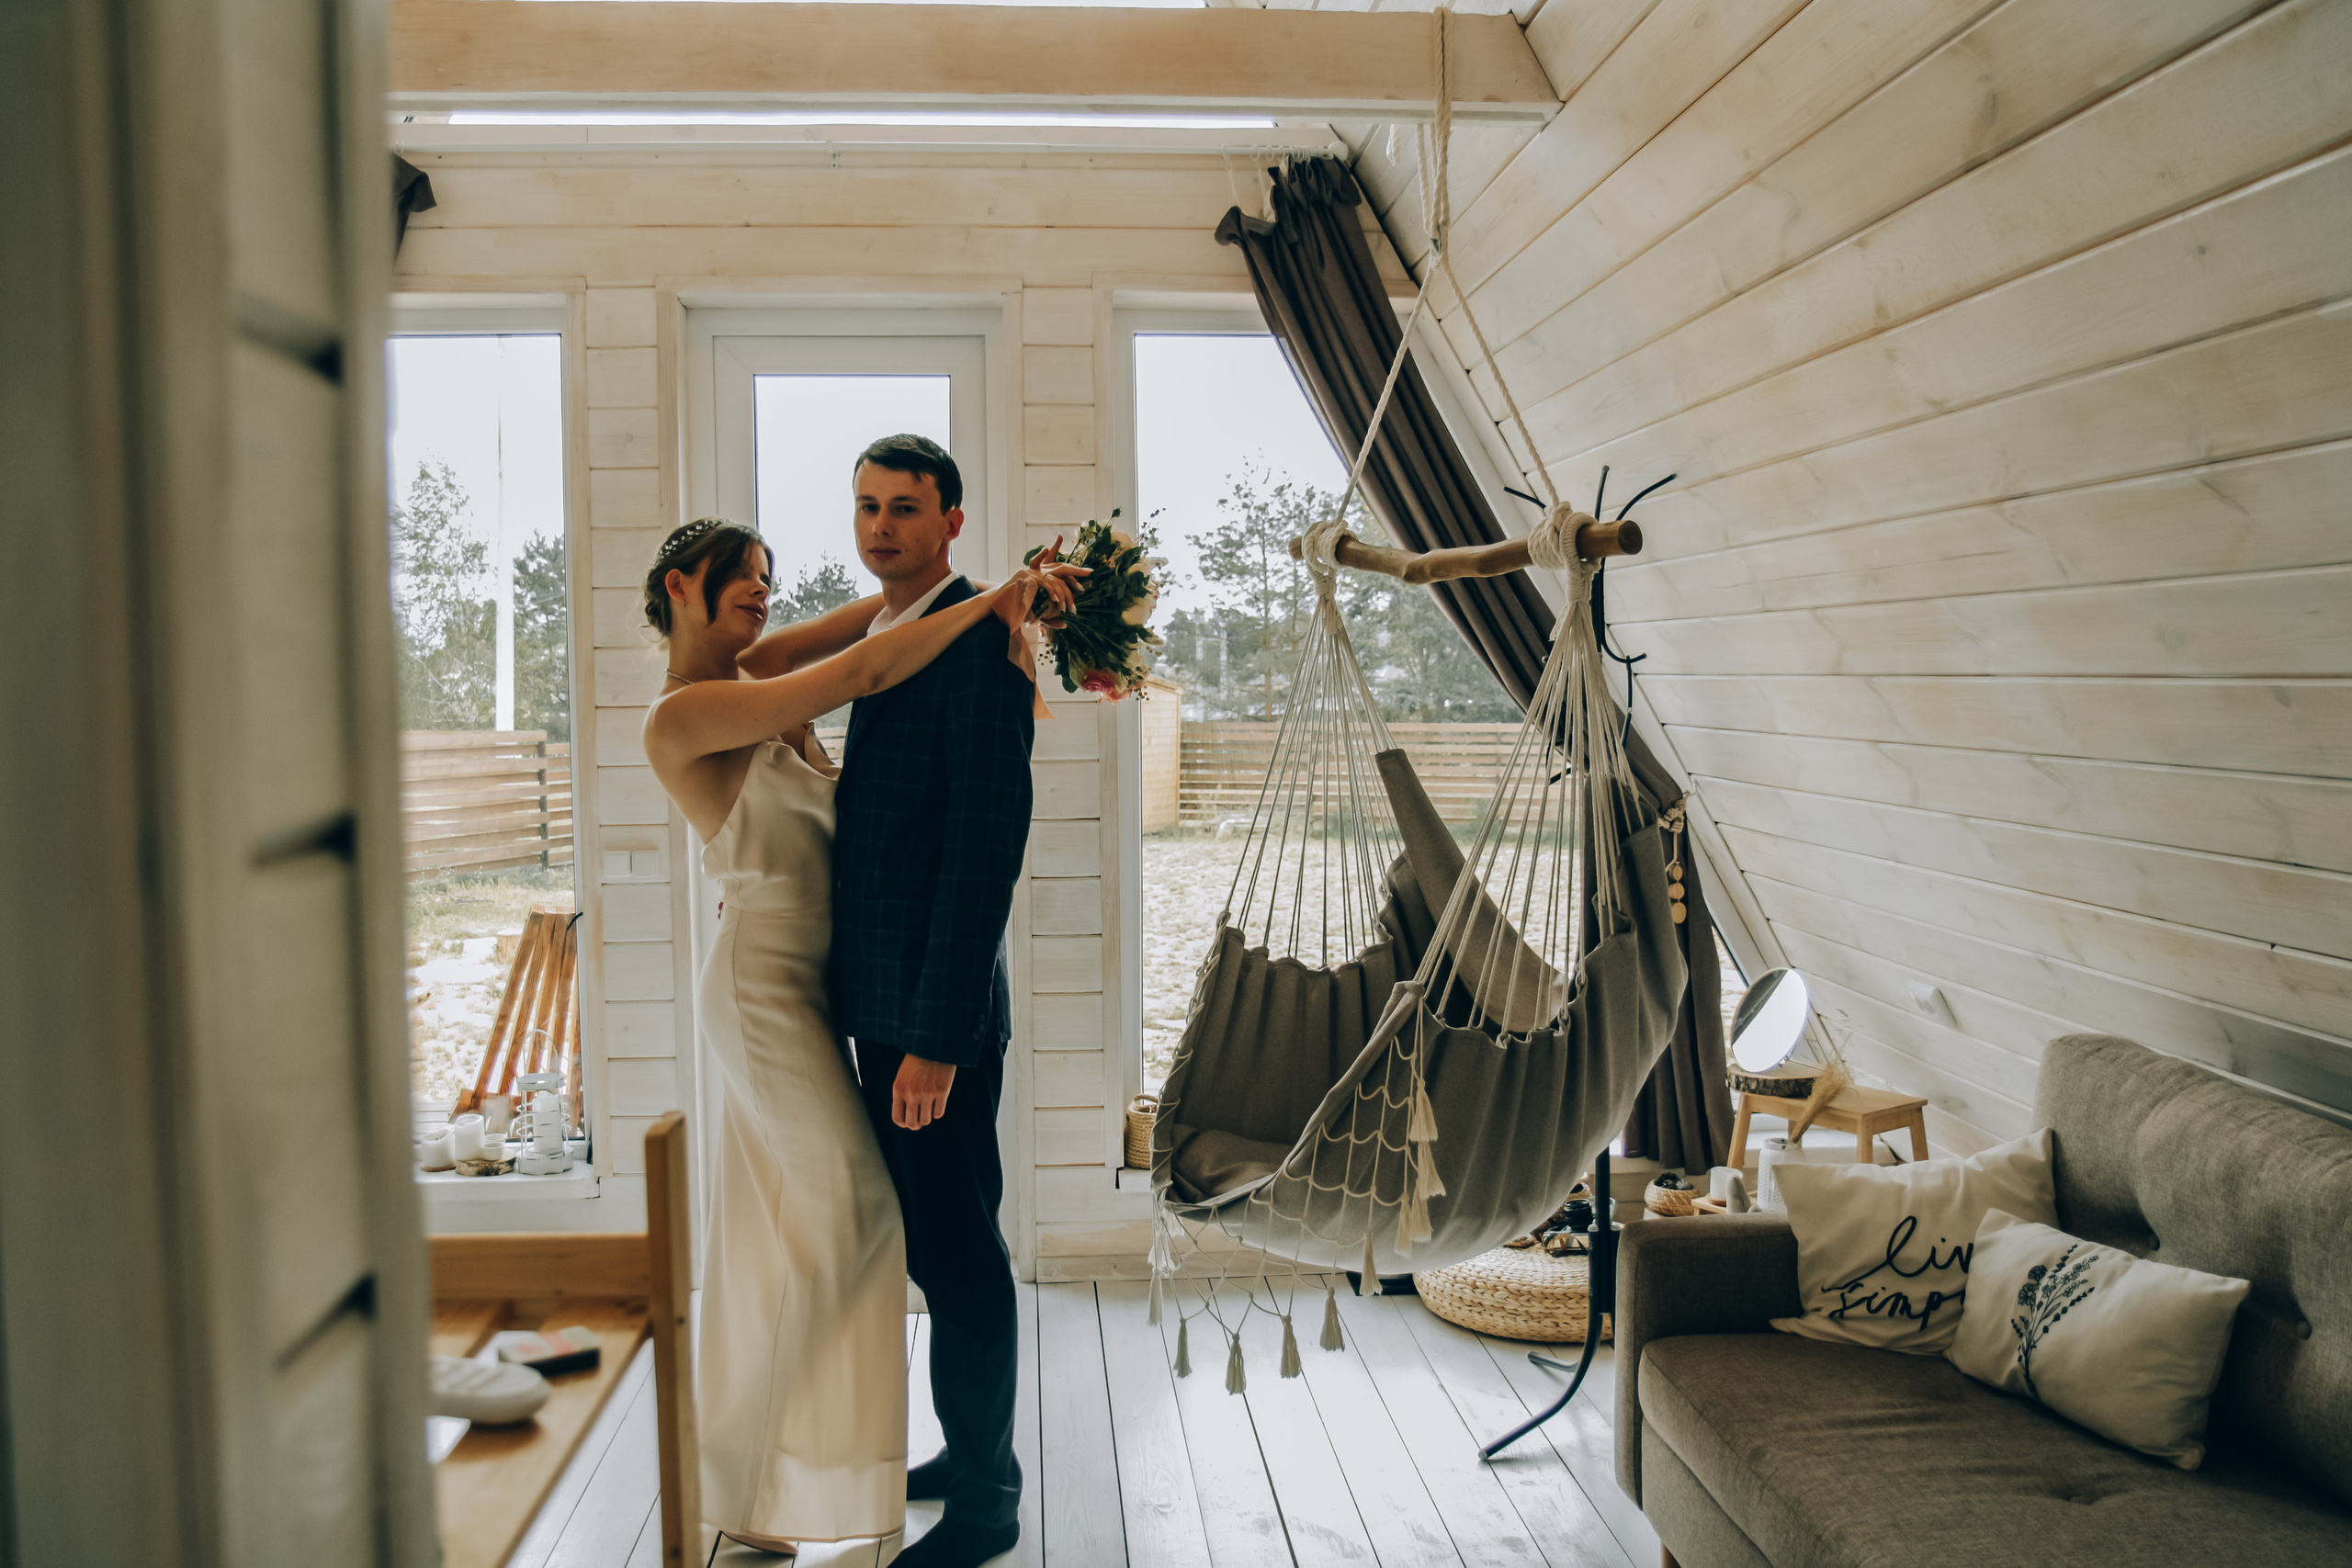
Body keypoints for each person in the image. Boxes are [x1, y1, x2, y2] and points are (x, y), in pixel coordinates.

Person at [640, 513, 1075, 1559]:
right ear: (679, 586)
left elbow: (883, 617)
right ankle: (764, 1484)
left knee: (797, 1237)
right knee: (863, 1220)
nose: (762, 592)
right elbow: (874, 664)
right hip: (758, 993)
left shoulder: (758, 667)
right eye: (740, 578)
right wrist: (998, 600)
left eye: (767, 577)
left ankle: (766, 1480)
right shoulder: (687, 714)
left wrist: (980, 594)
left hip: (823, 993)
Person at [770, 434, 1033, 1568]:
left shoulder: (977, 648)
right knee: (938, 1250)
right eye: (869, 507)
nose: (882, 527)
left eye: (907, 508)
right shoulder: (888, 629)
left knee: (961, 1262)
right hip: (887, 1006)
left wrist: (931, 1045)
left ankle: (984, 1510)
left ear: (953, 523)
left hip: (934, 1020)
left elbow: (981, 857)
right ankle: (965, 1457)